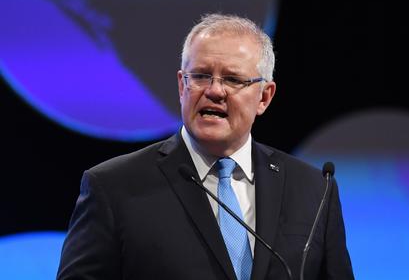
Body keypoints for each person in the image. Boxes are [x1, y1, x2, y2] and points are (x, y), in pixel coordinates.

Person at [57, 14, 354, 280]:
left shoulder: (314, 190)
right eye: (199, 76)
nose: (214, 90)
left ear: (264, 96)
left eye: (233, 79)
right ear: (181, 85)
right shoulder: (113, 187)